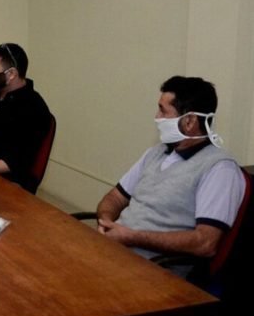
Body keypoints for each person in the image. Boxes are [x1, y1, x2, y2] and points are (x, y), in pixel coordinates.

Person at [95, 76, 245, 277]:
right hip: (114, 251)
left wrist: (132, 237)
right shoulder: (156, 153)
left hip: (152, 271)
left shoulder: (220, 169)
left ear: (189, 121)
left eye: (163, 111)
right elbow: (115, 197)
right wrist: (106, 221)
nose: (157, 117)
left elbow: (205, 243)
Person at [0, 43, 52, 193]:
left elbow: (15, 161)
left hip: (10, 182)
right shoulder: (2, 92)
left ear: (11, 74)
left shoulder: (33, 108)